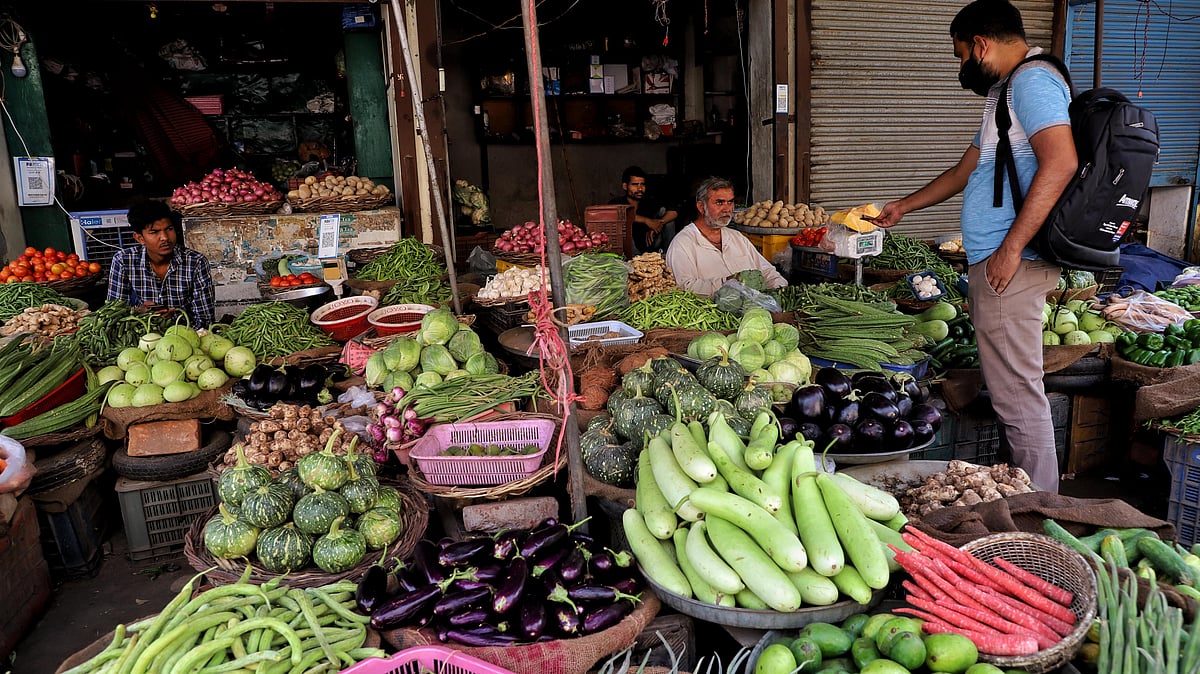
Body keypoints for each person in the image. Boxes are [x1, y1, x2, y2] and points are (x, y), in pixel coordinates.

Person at [871, 0, 1077, 493]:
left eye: (962, 55)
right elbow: (969, 169)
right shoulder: (1005, 92)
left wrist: (1011, 248)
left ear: (981, 44)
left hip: (1014, 263)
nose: (962, 66)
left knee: (1018, 398)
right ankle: (1017, 495)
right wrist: (905, 206)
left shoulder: (1031, 82)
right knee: (1010, 393)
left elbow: (1062, 162)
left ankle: (1038, 515)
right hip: (996, 260)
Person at [665, 176, 787, 296]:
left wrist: (780, 290)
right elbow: (684, 286)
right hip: (711, 313)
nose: (727, 209)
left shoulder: (737, 238)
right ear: (701, 207)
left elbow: (767, 271)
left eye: (730, 202)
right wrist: (727, 282)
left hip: (755, 310)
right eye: (719, 202)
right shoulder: (682, 244)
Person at [107, 199, 216, 328]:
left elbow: (205, 320)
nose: (165, 237)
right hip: (143, 334)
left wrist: (175, 322)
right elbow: (113, 315)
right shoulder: (123, 261)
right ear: (140, 238)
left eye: (169, 229)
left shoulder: (196, 262)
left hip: (186, 334)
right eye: (154, 232)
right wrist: (139, 313)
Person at [609, 166, 678, 254]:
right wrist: (646, 220)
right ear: (625, 186)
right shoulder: (617, 202)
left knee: (667, 218)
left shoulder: (649, 202)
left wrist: (658, 224)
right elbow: (616, 215)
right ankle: (635, 258)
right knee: (623, 222)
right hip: (629, 251)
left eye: (643, 184)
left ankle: (668, 255)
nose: (640, 189)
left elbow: (674, 212)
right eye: (635, 184)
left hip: (650, 246)